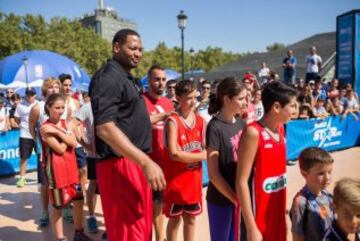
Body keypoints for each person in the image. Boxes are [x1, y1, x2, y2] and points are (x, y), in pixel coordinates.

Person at [89, 29, 165, 241]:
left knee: (141, 231)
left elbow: (130, 120)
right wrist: (145, 162)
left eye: (140, 49)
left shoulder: (129, 78)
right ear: (116, 47)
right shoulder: (108, 77)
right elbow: (105, 128)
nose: (138, 53)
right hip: (121, 165)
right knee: (129, 233)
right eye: (132, 48)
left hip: (134, 162)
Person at [236, 81, 298, 241]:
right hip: (258, 219)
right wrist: (251, 227)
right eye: (292, 106)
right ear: (276, 107)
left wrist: (283, 214)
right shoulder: (253, 133)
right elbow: (241, 182)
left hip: (277, 215)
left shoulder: (281, 129)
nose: (295, 110)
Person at [40, 93, 92, 241]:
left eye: (62, 107)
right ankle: (60, 237)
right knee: (58, 206)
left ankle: (79, 232)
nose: (60, 110)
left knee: (78, 200)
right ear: (48, 107)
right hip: (56, 173)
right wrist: (67, 136)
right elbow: (61, 149)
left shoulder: (62, 125)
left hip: (71, 170)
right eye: (57, 107)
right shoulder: (45, 128)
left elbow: (74, 143)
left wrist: (58, 132)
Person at [163, 79, 206, 241]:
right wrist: (201, 156)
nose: (192, 101)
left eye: (194, 97)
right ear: (178, 98)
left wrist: (192, 155)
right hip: (176, 182)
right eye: (188, 97)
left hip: (193, 181)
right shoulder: (173, 121)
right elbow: (174, 153)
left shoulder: (201, 121)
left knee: (191, 218)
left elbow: (206, 147)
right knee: (175, 220)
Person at [206, 77, 247, 241]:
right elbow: (213, 175)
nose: (245, 103)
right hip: (221, 200)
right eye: (241, 99)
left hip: (239, 197)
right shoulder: (214, 127)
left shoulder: (242, 124)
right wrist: (235, 199)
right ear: (227, 99)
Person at [143, 64, 174, 241]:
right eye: (157, 79)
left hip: (165, 162)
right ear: (149, 80)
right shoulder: (141, 101)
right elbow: (139, 122)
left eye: (163, 79)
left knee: (159, 203)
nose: (161, 83)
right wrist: (163, 116)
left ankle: (160, 237)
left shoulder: (168, 103)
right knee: (148, 204)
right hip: (147, 162)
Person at [28, 77, 61, 227]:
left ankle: (65, 207)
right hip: (45, 152)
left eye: (56, 86)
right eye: (50, 87)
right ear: (45, 90)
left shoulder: (63, 105)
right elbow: (31, 125)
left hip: (61, 149)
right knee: (45, 184)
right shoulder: (37, 107)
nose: (53, 89)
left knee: (62, 181)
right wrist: (38, 142)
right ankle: (44, 211)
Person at [290, 147, 334, 241]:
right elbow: (297, 236)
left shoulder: (329, 196)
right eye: (321, 173)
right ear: (304, 174)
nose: (327, 178)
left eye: (329, 172)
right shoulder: (301, 202)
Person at [14, 87, 38, 187]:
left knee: (41, 157)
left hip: (37, 135)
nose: (30, 96)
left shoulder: (39, 104)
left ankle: (44, 176)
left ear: (35, 95)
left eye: (32, 94)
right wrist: (23, 126)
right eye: (28, 94)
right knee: (24, 158)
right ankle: (22, 178)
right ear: (25, 95)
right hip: (25, 135)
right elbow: (16, 118)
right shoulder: (20, 106)